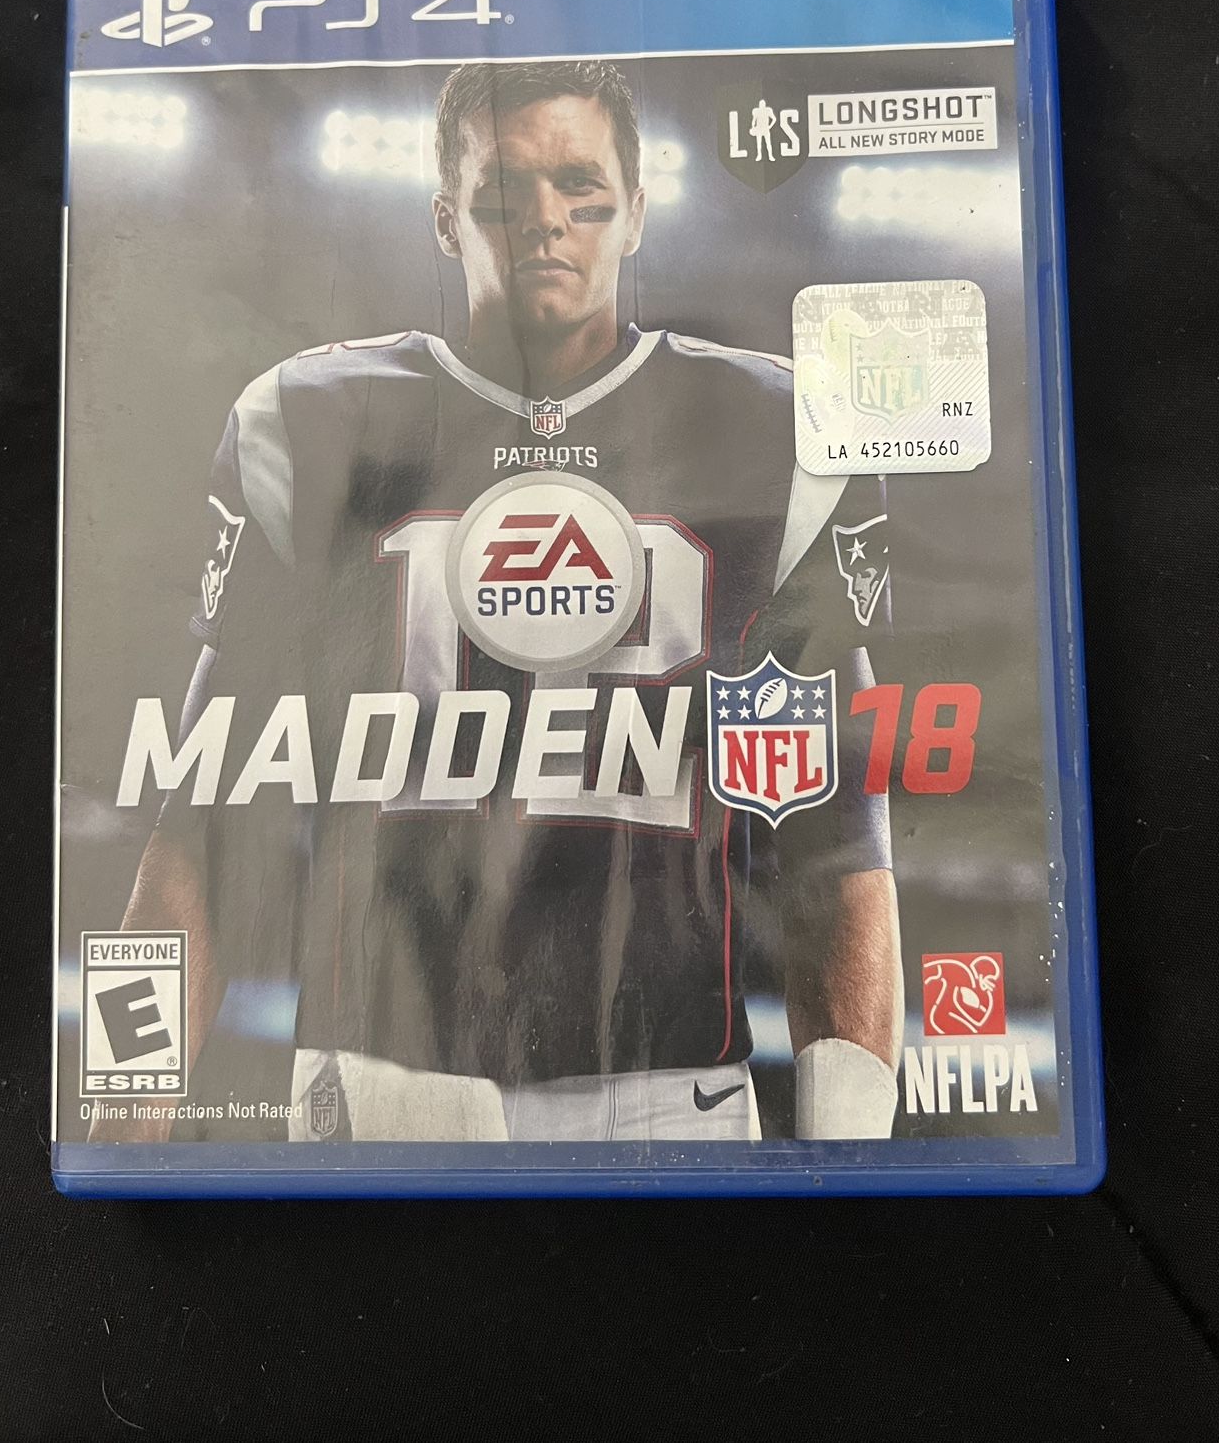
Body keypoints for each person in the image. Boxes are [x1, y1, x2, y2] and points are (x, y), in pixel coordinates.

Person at [98, 59, 903, 1145]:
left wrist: (850, 1158)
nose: (545, 220)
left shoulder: (766, 429)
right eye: (502, 191)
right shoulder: (315, 422)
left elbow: (836, 843)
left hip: (669, 1083)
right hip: (381, 1078)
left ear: (635, 212)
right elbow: (199, 823)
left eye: (580, 186)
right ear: (445, 219)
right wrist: (123, 1104)